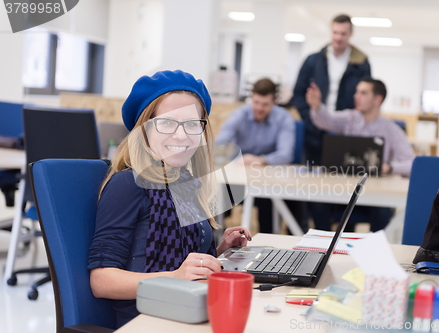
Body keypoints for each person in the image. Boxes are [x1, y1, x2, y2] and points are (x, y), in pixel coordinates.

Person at [87, 70, 252, 327]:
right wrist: (175, 277)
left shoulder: (184, 182)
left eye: (191, 124)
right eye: (166, 123)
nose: (181, 135)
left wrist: (220, 252)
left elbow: (182, 260)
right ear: (143, 128)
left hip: (188, 310)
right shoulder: (128, 184)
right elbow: (101, 281)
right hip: (148, 321)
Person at [306, 77, 415, 231]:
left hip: (373, 194)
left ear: (377, 99)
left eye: (363, 93)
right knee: (318, 202)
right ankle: (323, 248)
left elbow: (413, 164)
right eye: (357, 92)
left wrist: (390, 167)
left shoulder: (391, 129)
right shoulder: (349, 118)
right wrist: (317, 106)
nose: (356, 96)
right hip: (342, 190)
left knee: (383, 210)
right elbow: (326, 121)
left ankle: (373, 251)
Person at [216, 78, 307, 233]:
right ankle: (216, 239)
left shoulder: (284, 118)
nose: (259, 108)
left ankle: (269, 242)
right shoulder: (239, 115)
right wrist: (236, 160)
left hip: (270, 181)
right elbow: (220, 146)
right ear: (252, 98)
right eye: (256, 102)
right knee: (215, 192)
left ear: (274, 102)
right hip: (239, 179)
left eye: (265, 104)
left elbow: (286, 155)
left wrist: (260, 160)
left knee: (271, 202)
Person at [292, 13, 371, 166]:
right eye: (335, 32)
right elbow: (298, 94)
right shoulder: (313, 61)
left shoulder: (361, 63)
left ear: (350, 34)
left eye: (343, 33)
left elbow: (365, 97)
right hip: (314, 132)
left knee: (342, 181)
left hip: (345, 133)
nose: (338, 37)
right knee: (312, 182)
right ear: (330, 32)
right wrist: (310, 119)